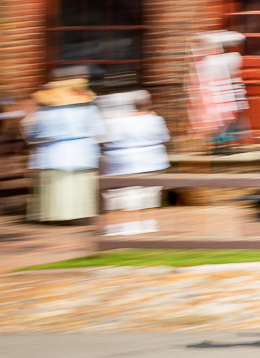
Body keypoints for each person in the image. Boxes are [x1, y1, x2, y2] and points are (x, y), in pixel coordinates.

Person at [22, 70, 102, 223]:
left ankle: (58, 216)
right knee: (77, 185)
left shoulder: (45, 111)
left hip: (54, 153)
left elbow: (31, 131)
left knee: (58, 186)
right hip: (81, 151)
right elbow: (99, 129)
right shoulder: (88, 108)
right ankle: (77, 215)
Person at [98, 90, 170, 236]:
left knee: (121, 195)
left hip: (123, 162)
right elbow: (165, 137)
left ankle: (120, 226)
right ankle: (148, 223)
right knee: (149, 193)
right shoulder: (155, 119)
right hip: (152, 161)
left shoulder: (116, 120)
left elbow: (104, 138)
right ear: (148, 104)